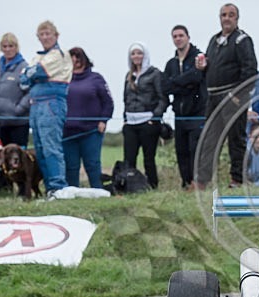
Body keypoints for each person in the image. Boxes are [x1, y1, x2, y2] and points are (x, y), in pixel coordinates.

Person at [194, 3, 258, 189]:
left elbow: (250, 71)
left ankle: (237, 180)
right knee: (209, 140)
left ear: (237, 18)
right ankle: (202, 181)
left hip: (232, 97)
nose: (227, 18)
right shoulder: (214, 40)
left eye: (231, 15)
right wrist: (203, 68)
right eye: (224, 15)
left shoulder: (242, 40)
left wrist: (238, 96)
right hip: (213, 97)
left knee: (236, 140)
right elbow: (210, 68)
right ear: (219, 18)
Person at [20, 20, 73, 199]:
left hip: (52, 102)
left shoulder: (60, 54)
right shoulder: (37, 56)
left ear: (56, 35)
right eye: (41, 35)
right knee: (40, 148)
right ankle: (50, 187)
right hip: (35, 104)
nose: (45, 37)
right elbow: (23, 79)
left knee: (51, 146)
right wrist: (31, 73)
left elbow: (39, 72)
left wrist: (32, 73)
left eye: (48, 33)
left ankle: (58, 186)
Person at [162, 25, 207, 189]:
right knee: (181, 150)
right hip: (179, 114)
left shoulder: (199, 57)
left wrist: (177, 83)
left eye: (181, 35)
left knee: (196, 149)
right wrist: (184, 83)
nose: (178, 39)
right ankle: (186, 183)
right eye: (175, 36)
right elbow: (165, 86)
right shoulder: (171, 64)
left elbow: (197, 76)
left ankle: (198, 183)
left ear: (188, 37)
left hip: (197, 112)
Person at [0, 32, 31, 192]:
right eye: (5, 46)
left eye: (11, 46)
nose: (8, 49)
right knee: (0, 156)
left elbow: (30, 92)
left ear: (16, 47)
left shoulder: (25, 68)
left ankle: (24, 188)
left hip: (18, 122)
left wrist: (18, 109)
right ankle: (2, 187)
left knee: (19, 157)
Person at [63, 47, 113, 189]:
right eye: (71, 58)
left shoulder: (96, 78)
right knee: (71, 165)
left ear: (84, 59)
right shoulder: (63, 79)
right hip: (67, 131)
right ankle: (72, 192)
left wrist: (103, 120)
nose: (75, 60)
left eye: (78, 57)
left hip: (91, 131)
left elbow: (108, 102)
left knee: (92, 163)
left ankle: (98, 190)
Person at [123, 42, 169, 189]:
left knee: (148, 158)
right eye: (133, 53)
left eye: (139, 53)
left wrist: (155, 117)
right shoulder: (129, 75)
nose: (136, 56)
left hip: (147, 121)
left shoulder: (154, 73)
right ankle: (130, 186)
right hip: (130, 122)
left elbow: (163, 98)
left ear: (145, 55)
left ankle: (152, 186)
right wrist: (125, 118)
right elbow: (126, 98)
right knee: (129, 158)